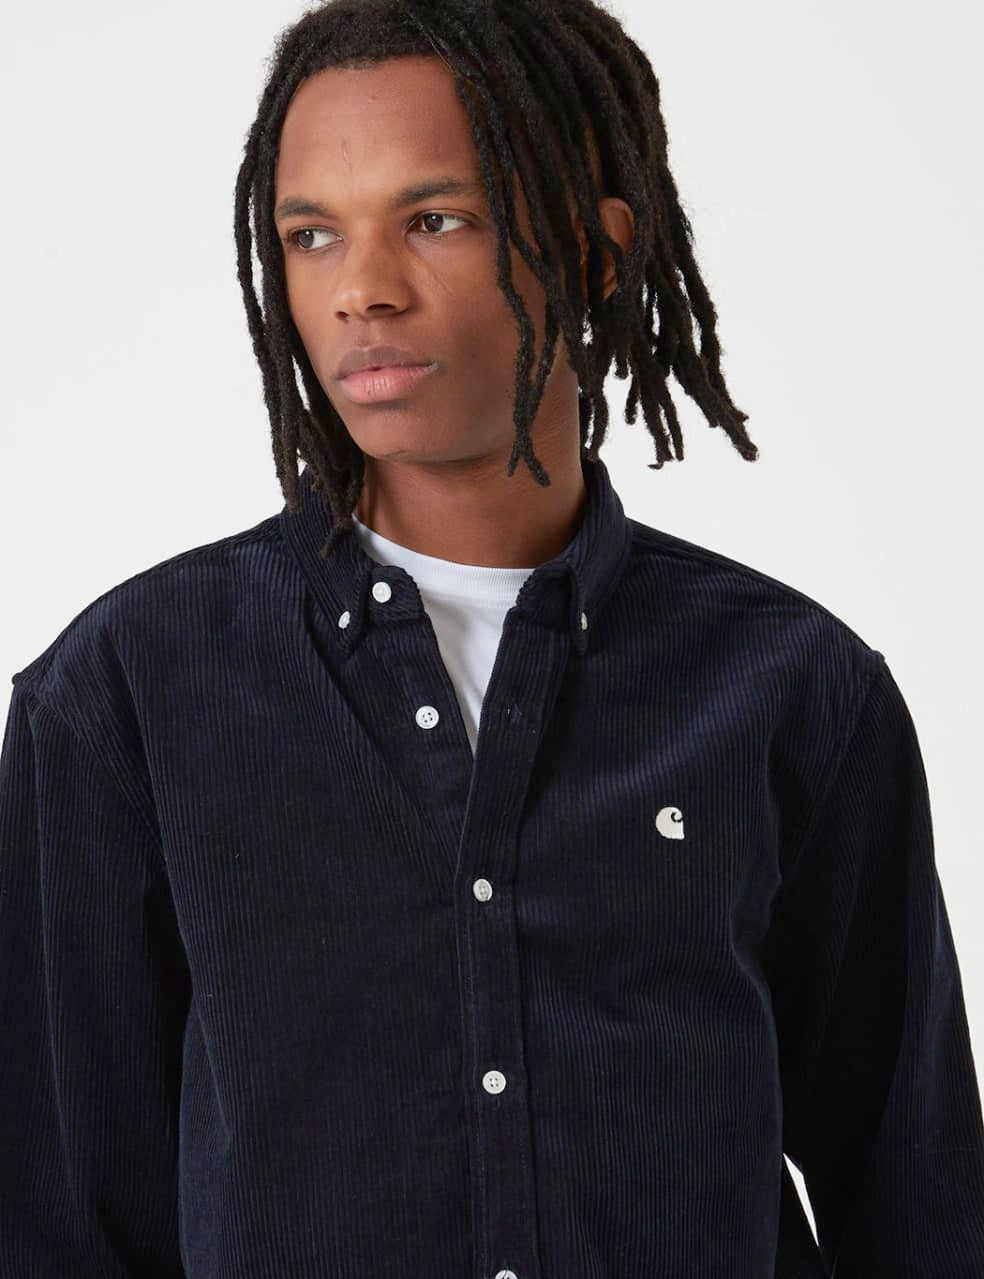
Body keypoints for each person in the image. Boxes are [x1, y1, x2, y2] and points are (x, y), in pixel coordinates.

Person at [2, 0, 982, 1274]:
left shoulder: (795, 689)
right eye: (311, 234)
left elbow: (916, 1200)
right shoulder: (123, 696)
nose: (362, 289)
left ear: (594, 250)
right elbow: (62, 1222)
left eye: (436, 219)